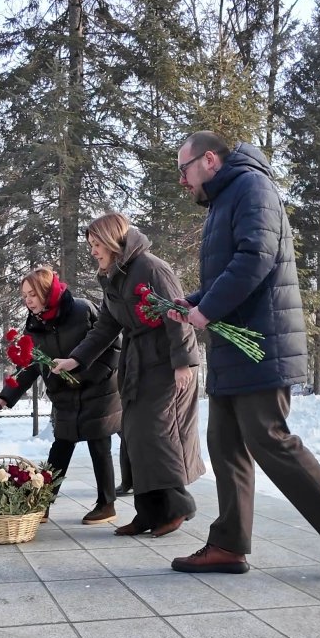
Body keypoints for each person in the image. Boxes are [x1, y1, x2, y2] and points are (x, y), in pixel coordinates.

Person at [167, 131, 320, 578]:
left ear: (208, 159)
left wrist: (209, 308)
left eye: (183, 170)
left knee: (267, 437)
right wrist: (195, 301)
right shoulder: (229, 197)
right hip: (236, 342)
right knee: (224, 444)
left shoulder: (250, 186)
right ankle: (228, 543)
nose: (182, 181)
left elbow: (256, 258)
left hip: (262, 342)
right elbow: (233, 267)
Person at [51, 212, 204, 538]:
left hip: (166, 365)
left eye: (96, 244)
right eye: (90, 244)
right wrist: (75, 359)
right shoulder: (114, 277)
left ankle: (178, 506)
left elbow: (177, 314)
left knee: (156, 435)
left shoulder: (151, 268)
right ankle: (148, 513)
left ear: (112, 240)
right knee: (134, 436)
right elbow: (106, 326)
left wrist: (183, 363)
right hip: (137, 365)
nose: (92, 250)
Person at [0, 267, 122, 524]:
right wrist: (2, 400)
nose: (28, 300)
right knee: (61, 445)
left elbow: (112, 343)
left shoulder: (82, 309)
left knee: (99, 443)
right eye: (24, 296)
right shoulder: (35, 324)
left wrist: (89, 373)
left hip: (98, 388)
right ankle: (42, 503)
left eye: (32, 294)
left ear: (46, 291)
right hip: (64, 392)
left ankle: (106, 504)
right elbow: (30, 365)